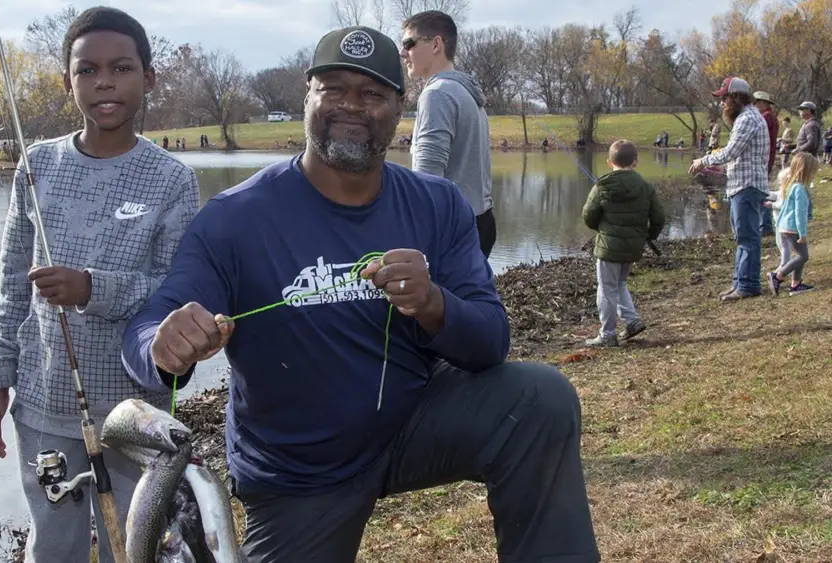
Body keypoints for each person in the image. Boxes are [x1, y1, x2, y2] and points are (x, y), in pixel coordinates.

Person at [122, 25, 599, 563]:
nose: (352, 105)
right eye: (334, 88)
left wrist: (434, 304)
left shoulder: (438, 204)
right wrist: (162, 347)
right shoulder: (235, 218)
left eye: (372, 93)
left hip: (412, 424)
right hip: (298, 472)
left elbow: (490, 343)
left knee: (539, 398)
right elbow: (145, 330)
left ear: (400, 108)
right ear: (308, 97)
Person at [0, 7, 199, 563]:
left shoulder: (173, 180)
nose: (104, 82)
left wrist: (91, 288)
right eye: (87, 70)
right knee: (53, 546)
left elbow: (175, 292)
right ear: (68, 79)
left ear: (148, 78)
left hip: (136, 413)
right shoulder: (37, 164)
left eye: (121, 68)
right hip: (42, 403)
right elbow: (11, 285)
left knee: (138, 547)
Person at [400, 10, 495, 258]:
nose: (403, 53)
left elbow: (427, 180)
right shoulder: (469, 94)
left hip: (452, 231)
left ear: (436, 44)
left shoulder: (437, 95)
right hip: (480, 221)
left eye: (409, 44)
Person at [689, 77, 770, 301]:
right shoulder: (747, 117)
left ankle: (748, 285)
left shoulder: (747, 119)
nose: (722, 102)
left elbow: (731, 152)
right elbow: (737, 155)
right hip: (742, 185)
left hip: (747, 186)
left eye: (725, 98)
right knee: (743, 236)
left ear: (736, 97)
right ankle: (740, 282)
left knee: (747, 237)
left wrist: (703, 161)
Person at [581, 140, 665, 347]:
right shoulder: (646, 187)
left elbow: (588, 215)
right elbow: (659, 218)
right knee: (619, 284)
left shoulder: (601, 185)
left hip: (609, 247)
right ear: (635, 162)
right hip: (633, 246)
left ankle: (608, 334)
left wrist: (600, 228)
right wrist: (648, 235)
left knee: (607, 288)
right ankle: (632, 321)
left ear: (609, 162)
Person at [766, 152, 817, 296]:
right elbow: (799, 214)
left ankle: (796, 284)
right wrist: (803, 234)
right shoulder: (800, 189)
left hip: (783, 227)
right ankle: (778, 276)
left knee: (800, 255)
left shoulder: (791, 185)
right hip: (793, 228)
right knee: (803, 256)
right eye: (813, 171)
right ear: (805, 171)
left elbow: (784, 206)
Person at [753, 91, 778, 236]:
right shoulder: (771, 117)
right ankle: (765, 224)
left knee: (761, 193)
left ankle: (765, 225)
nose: (754, 106)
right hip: (768, 158)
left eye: (756, 103)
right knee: (762, 191)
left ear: (762, 103)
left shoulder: (765, 118)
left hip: (763, 160)